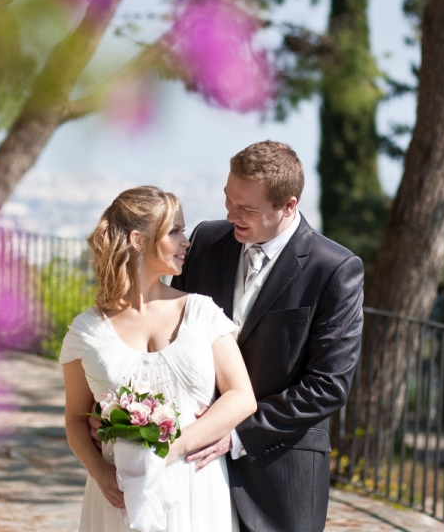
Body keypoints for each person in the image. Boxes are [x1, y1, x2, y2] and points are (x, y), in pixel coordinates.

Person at [170, 140, 364, 531]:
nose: (230, 214)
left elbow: (327, 386)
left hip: (281, 474)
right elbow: (169, 333)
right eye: (228, 200)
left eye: (247, 209)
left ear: (288, 206)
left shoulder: (335, 269)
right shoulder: (206, 241)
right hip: (193, 469)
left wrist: (237, 431)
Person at [60, 185, 257, 532]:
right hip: (117, 493)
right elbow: (76, 419)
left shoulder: (201, 312)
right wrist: (99, 470)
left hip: (196, 487)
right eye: (175, 231)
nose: (186, 242)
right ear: (138, 240)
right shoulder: (87, 332)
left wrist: (174, 448)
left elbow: (242, 397)